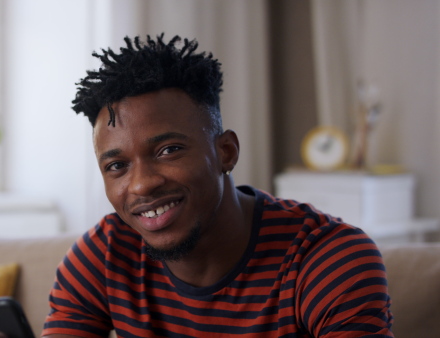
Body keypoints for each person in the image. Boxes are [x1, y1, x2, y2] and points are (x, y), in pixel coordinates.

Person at [41, 34, 393, 337]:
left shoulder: (327, 260)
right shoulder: (103, 256)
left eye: (168, 150)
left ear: (225, 151)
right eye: (117, 166)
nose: (142, 185)